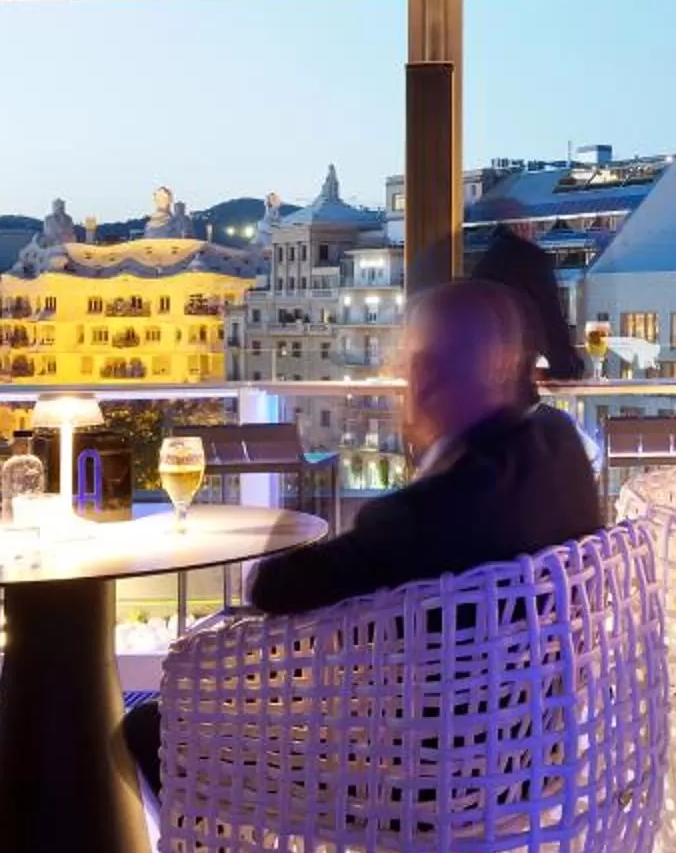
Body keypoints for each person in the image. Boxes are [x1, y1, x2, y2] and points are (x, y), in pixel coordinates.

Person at [121, 280, 605, 789]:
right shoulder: (559, 447)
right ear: (506, 365)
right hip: (541, 755)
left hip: (421, 781)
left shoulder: (422, 515)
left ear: (423, 376)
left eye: (407, 361)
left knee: (154, 727)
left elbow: (273, 587)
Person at [469, 217, 588, 389]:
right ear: (523, 226)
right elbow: (553, 333)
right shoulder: (530, 261)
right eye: (536, 226)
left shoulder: (483, 266)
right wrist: (567, 368)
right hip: (507, 390)